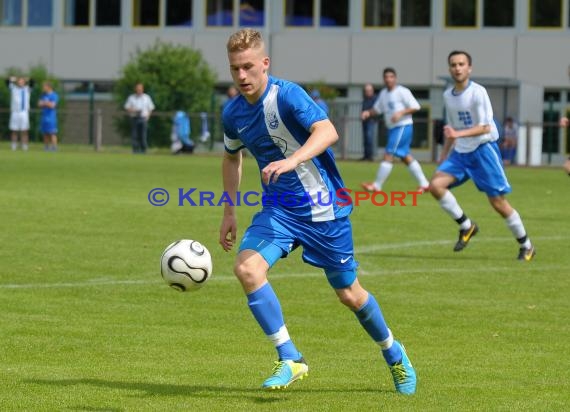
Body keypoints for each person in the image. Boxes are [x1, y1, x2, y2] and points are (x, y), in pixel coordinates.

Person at [219, 28, 416, 394]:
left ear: (265, 64)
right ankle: (290, 357)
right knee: (247, 268)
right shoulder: (232, 112)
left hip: (324, 209)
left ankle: (394, 353)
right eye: (235, 69)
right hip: (279, 209)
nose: (242, 76)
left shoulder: (288, 95)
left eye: (248, 67)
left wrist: (292, 160)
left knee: (350, 294)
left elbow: (327, 132)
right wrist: (229, 211)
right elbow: (232, 157)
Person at [430, 50, 535, 261]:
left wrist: (457, 134)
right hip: (460, 153)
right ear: (449, 68)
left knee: (498, 203)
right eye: (453, 64)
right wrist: (443, 154)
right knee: (435, 186)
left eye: (461, 64)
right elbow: (452, 127)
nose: (457, 68)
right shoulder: (448, 96)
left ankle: (526, 245)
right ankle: (467, 226)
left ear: (469, 68)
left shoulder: (478, 92)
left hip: (483, 151)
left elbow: (485, 127)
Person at [360, 68, 430, 193]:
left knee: (389, 153)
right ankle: (424, 184)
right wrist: (368, 113)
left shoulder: (402, 91)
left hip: (403, 126)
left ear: (395, 78)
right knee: (405, 156)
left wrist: (401, 112)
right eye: (386, 77)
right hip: (393, 129)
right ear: (384, 79)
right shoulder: (383, 94)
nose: (388, 79)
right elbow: (377, 109)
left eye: (391, 77)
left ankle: (377, 185)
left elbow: (416, 106)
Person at [124, 83, 155, 153]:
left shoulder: (147, 98)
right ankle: (135, 150)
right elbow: (127, 107)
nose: (139, 90)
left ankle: (143, 150)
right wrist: (134, 110)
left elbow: (151, 108)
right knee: (134, 135)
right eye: (137, 89)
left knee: (143, 135)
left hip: (143, 118)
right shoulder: (131, 97)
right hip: (134, 118)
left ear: (142, 89)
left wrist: (148, 117)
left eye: (140, 89)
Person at [7, 76, 33, 151]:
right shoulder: (13, 88)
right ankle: (13, 145)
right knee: (14, 130)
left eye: (22, 81)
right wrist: (13, 79)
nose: (20, 83)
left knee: (24, 130)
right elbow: (7, 81)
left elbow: (32, 82)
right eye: (19, 81)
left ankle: (24, 145)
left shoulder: (27, 89)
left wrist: (27, 79)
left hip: (24, 112)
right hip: (15, 112)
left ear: (24, 82)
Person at [38, 81, 59, 152]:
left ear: (49, 87)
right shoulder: (43, 95)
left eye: (44, 86)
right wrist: (47, 103)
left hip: (51, 117)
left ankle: (54, 148)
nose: (43, 88)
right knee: (45, 133)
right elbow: (39, 104)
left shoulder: (54, 95)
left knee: (52, 133)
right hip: (44, 117)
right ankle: (46, 147)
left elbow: (53, 105)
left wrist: (45, 103)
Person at [361, 83, 377, 161]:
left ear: (372, 91)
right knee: (365, 139)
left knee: (369, 139)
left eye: (369, 90)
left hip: (371, 121)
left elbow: (375, 110)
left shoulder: (375, 99)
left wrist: (367, 114)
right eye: (366, 90)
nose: (367, 92)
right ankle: (366, 156)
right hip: (365, 122)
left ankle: (370, 157)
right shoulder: (365, 99)